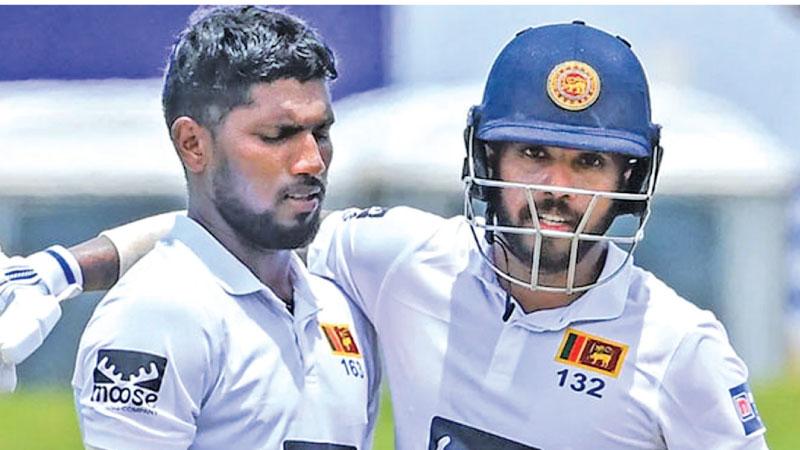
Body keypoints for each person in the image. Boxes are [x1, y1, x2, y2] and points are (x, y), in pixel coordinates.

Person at [0, 20, 766, 449]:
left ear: (632, 178)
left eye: (590, 162)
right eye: (533, 153)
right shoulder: (398, 258)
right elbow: (225, 235)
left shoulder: (683, 348)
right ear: (484, 154)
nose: (556, 189)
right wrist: (65, 270)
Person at [2, 6, 381, 450]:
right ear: (193, 144)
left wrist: (63, 269)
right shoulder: (157, 313)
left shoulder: (340, 304)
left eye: (320, 133)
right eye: (277, 136)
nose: (312, 161)